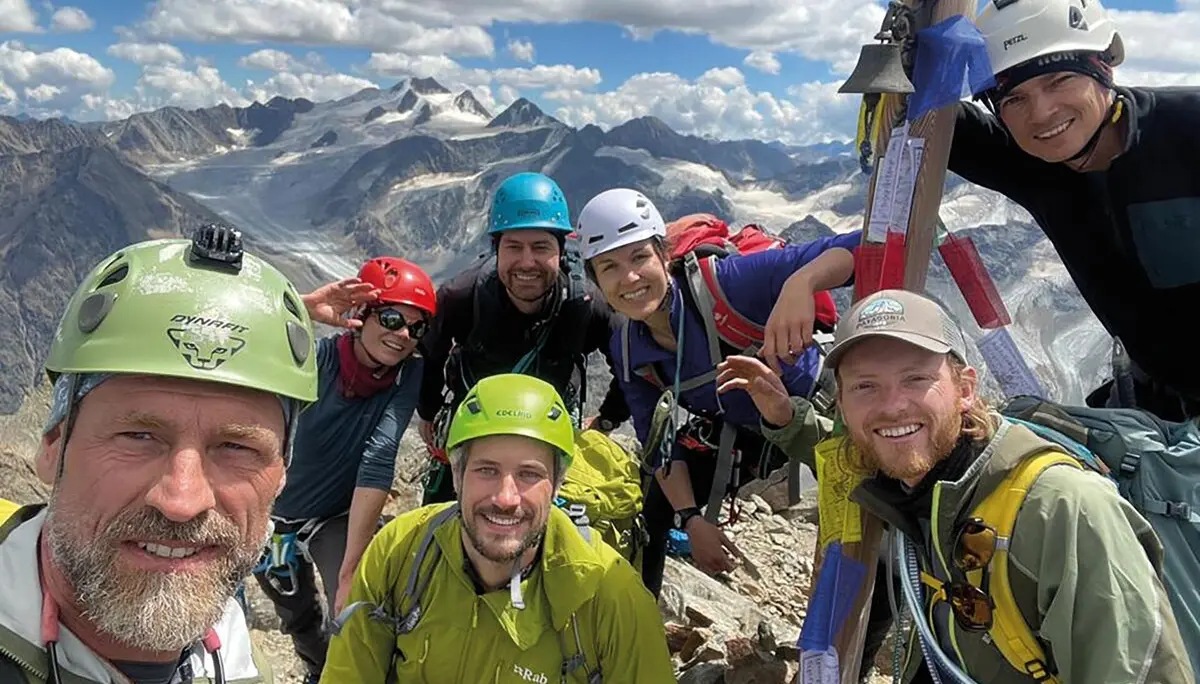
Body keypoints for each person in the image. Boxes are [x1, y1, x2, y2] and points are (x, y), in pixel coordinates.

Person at [721, 289, 1194, 683]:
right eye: (866, 386)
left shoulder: (1063, 509)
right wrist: (785, 419)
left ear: (965, 389)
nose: (892, 407)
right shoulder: (914, 482)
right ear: (842, 404)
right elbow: (849, 455)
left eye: (916, 379)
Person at [0, 225, 318, 684]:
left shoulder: (242, 667)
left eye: (236, 447)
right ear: (53, 445)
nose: (181, 500)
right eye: (138, 436)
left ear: (281, 475)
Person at [574, 187, 859, 596]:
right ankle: (643, 628)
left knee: (854, 528)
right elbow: (658, 446)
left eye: (639, 257)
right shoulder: (626, 345)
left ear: (664, 256)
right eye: (609, 267)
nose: (630, 278)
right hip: (749, 433)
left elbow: (863, 248)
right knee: (655, 504)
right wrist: (692, 520)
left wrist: (803, 280)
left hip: (815, 415)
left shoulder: (727, 285)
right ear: (596, 281)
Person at [321, 374, 675, 683]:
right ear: (457, 476)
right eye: (487, 470)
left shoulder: (609, 597)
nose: (506, 498)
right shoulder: (402, 549)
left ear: (557, 484)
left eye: (529, 474)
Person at [950, 0, 1200, 420]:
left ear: (1103, 69)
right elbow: (934, 120)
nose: (1042, 113)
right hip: (1161, 409)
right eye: (1014, 98)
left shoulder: (1188, 129)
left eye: (1059, 79)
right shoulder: (1033, 164)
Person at [252, 256, 435, 683]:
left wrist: (351, 569)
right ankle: (322, 672)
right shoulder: (312, 360)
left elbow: (380, 452)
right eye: (391, 318)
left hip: (334, 514)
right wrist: (299, 306)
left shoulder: (408, 373)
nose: (403, 335)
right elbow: (235, 333)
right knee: (296, 615)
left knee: (359, 605)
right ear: (360, 316)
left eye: (415, 327)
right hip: (271, 516)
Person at [416, 171, 631, 505]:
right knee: (442, 522)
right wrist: (429, 412)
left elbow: (631, 363)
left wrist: (606, 419)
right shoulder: (461, 296)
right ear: (496, 250)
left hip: (547, 429)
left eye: (541, 247)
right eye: (514, 246)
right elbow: (430, 356)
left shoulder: (588, 304)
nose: (527, 261)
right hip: (475, 423)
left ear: (561, 252)